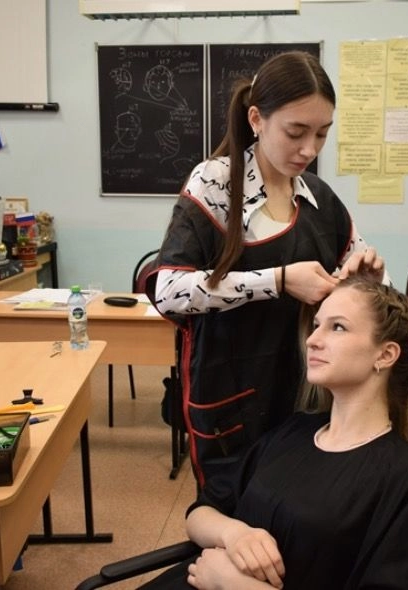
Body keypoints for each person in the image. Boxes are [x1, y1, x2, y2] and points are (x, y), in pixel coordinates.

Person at [141, 275, 408, 589]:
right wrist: (234, 534)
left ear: (385, 354)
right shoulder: (295, 432)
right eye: (316, 326)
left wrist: (237, 585)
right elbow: (201, 512)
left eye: (337, 327)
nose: (313, 340)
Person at [148, 51, 389, 487]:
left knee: (296, 508)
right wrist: (277, 280)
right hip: (230, 397)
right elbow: (169, 291)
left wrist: (365, 281)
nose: (309, 149)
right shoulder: (214, 184)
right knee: (236, 510)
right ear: (257, 119)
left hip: (303, 393)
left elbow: (376, 282)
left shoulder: (318, 198)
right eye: (296, 132)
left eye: (322, 133)